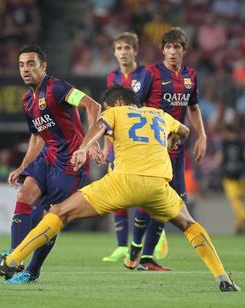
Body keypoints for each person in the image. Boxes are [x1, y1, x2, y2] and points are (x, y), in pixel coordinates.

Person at [0, 84, 240, 292]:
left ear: (118, 103)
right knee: (189, 225)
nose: (104, 111)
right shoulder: (160, 115)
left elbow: (99, 126)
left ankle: (12, 261)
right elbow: (184, 130)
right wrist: (170, 141)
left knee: (59, 212)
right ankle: (222, 277)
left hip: (123, 182)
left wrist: (83, 148)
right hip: (159, 186)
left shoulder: (115, 112)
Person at [0, 44, 101, 284]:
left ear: (43, 67)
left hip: (71, 161)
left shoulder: (58, 89)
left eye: (31, 64)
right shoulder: (27, 100)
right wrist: (22, 166)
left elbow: (93, 106)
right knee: (24, 195)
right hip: (48, 156)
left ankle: (32, 272)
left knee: (49, 216)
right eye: (21, 65)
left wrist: (90, 144)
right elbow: (37, 136)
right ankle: (14, 261)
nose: (25, 69)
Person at [124, 27, 207, 271]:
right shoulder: (150, 74)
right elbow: (133, 107)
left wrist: (202, 135)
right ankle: (136, 252)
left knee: (175, 201)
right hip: (152, 150)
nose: (172, 52)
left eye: (177, 47)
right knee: (152, 198)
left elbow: (193, 108)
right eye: (168, 47)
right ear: (162, 50)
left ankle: (146, 258)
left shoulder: (190, 76)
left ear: (183, 50)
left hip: (176, 152)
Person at [102, 32, 168, 264]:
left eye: (127, 48)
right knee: (117, 192)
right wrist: (104, 145)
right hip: (116, 145)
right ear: (114, 52)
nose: (123, 52)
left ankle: (156, 235)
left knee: (142, 192)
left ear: (135, 51)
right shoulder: (112, 77)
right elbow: (108, 113)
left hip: (139, 144)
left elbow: (150, 108)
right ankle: (121, 245)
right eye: (119, 48)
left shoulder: (146, 75)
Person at [214, 124, 245, 233]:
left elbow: (219, 159)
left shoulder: (223, 144)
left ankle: (244, 217)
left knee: (235, 201)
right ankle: (240, 226)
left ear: (227, 132)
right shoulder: (243, 143)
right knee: (239, 201)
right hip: (241, 176)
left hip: (229, 177)